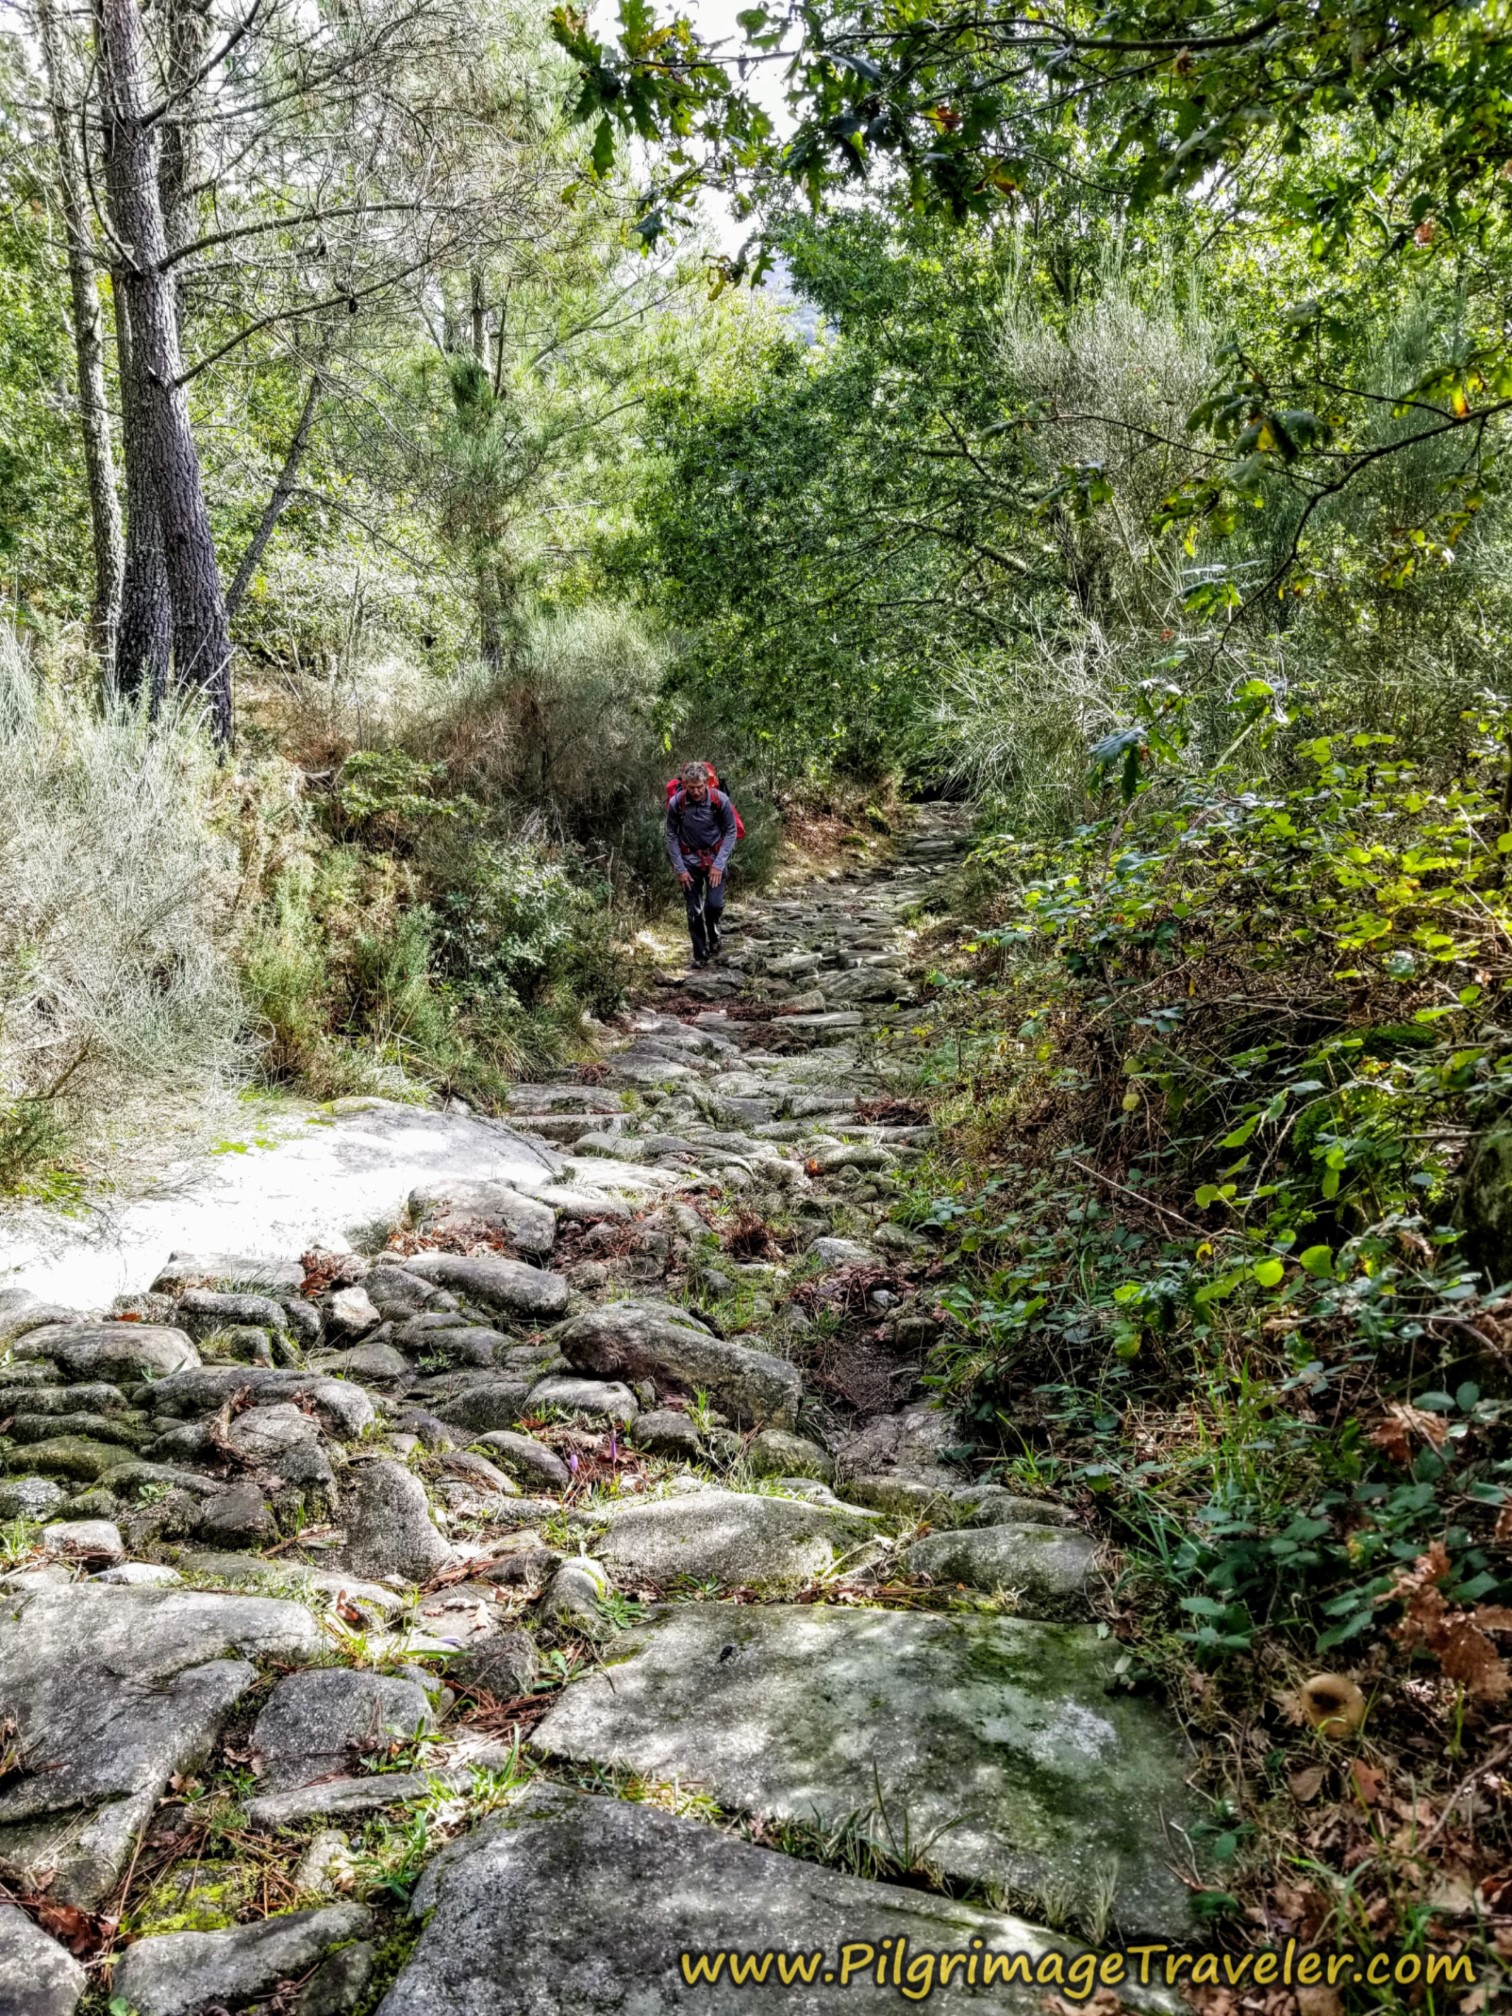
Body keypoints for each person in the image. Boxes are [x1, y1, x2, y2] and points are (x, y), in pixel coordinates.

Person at [665, 760, 737, 967]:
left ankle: (714, 935)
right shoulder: (676, 803)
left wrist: (719, 864)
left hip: (715, 859)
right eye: (691, 787)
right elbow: (671, 836)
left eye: (699, 787)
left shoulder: (719, 800)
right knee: (693, 910)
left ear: (707, 783)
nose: (696, 791)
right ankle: (700, 955)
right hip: (688, 862)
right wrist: (680, 869)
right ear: (684, 785)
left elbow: (730, 832)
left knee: (713, 905)